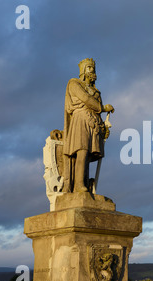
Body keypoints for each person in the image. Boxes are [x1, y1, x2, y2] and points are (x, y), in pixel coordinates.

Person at [62, 58, 114, 192]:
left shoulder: (97, 92)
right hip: (81, 119)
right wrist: (102, 107)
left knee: (89, 154)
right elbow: (85, 98)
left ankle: (84, 182)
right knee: (82, 150)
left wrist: (103, 129)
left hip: (93, 122)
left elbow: (98, 114)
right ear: (83, 71)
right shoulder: (74, 83)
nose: (93, 71)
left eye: (94, 68)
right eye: (90, 68)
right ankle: (79, 185)